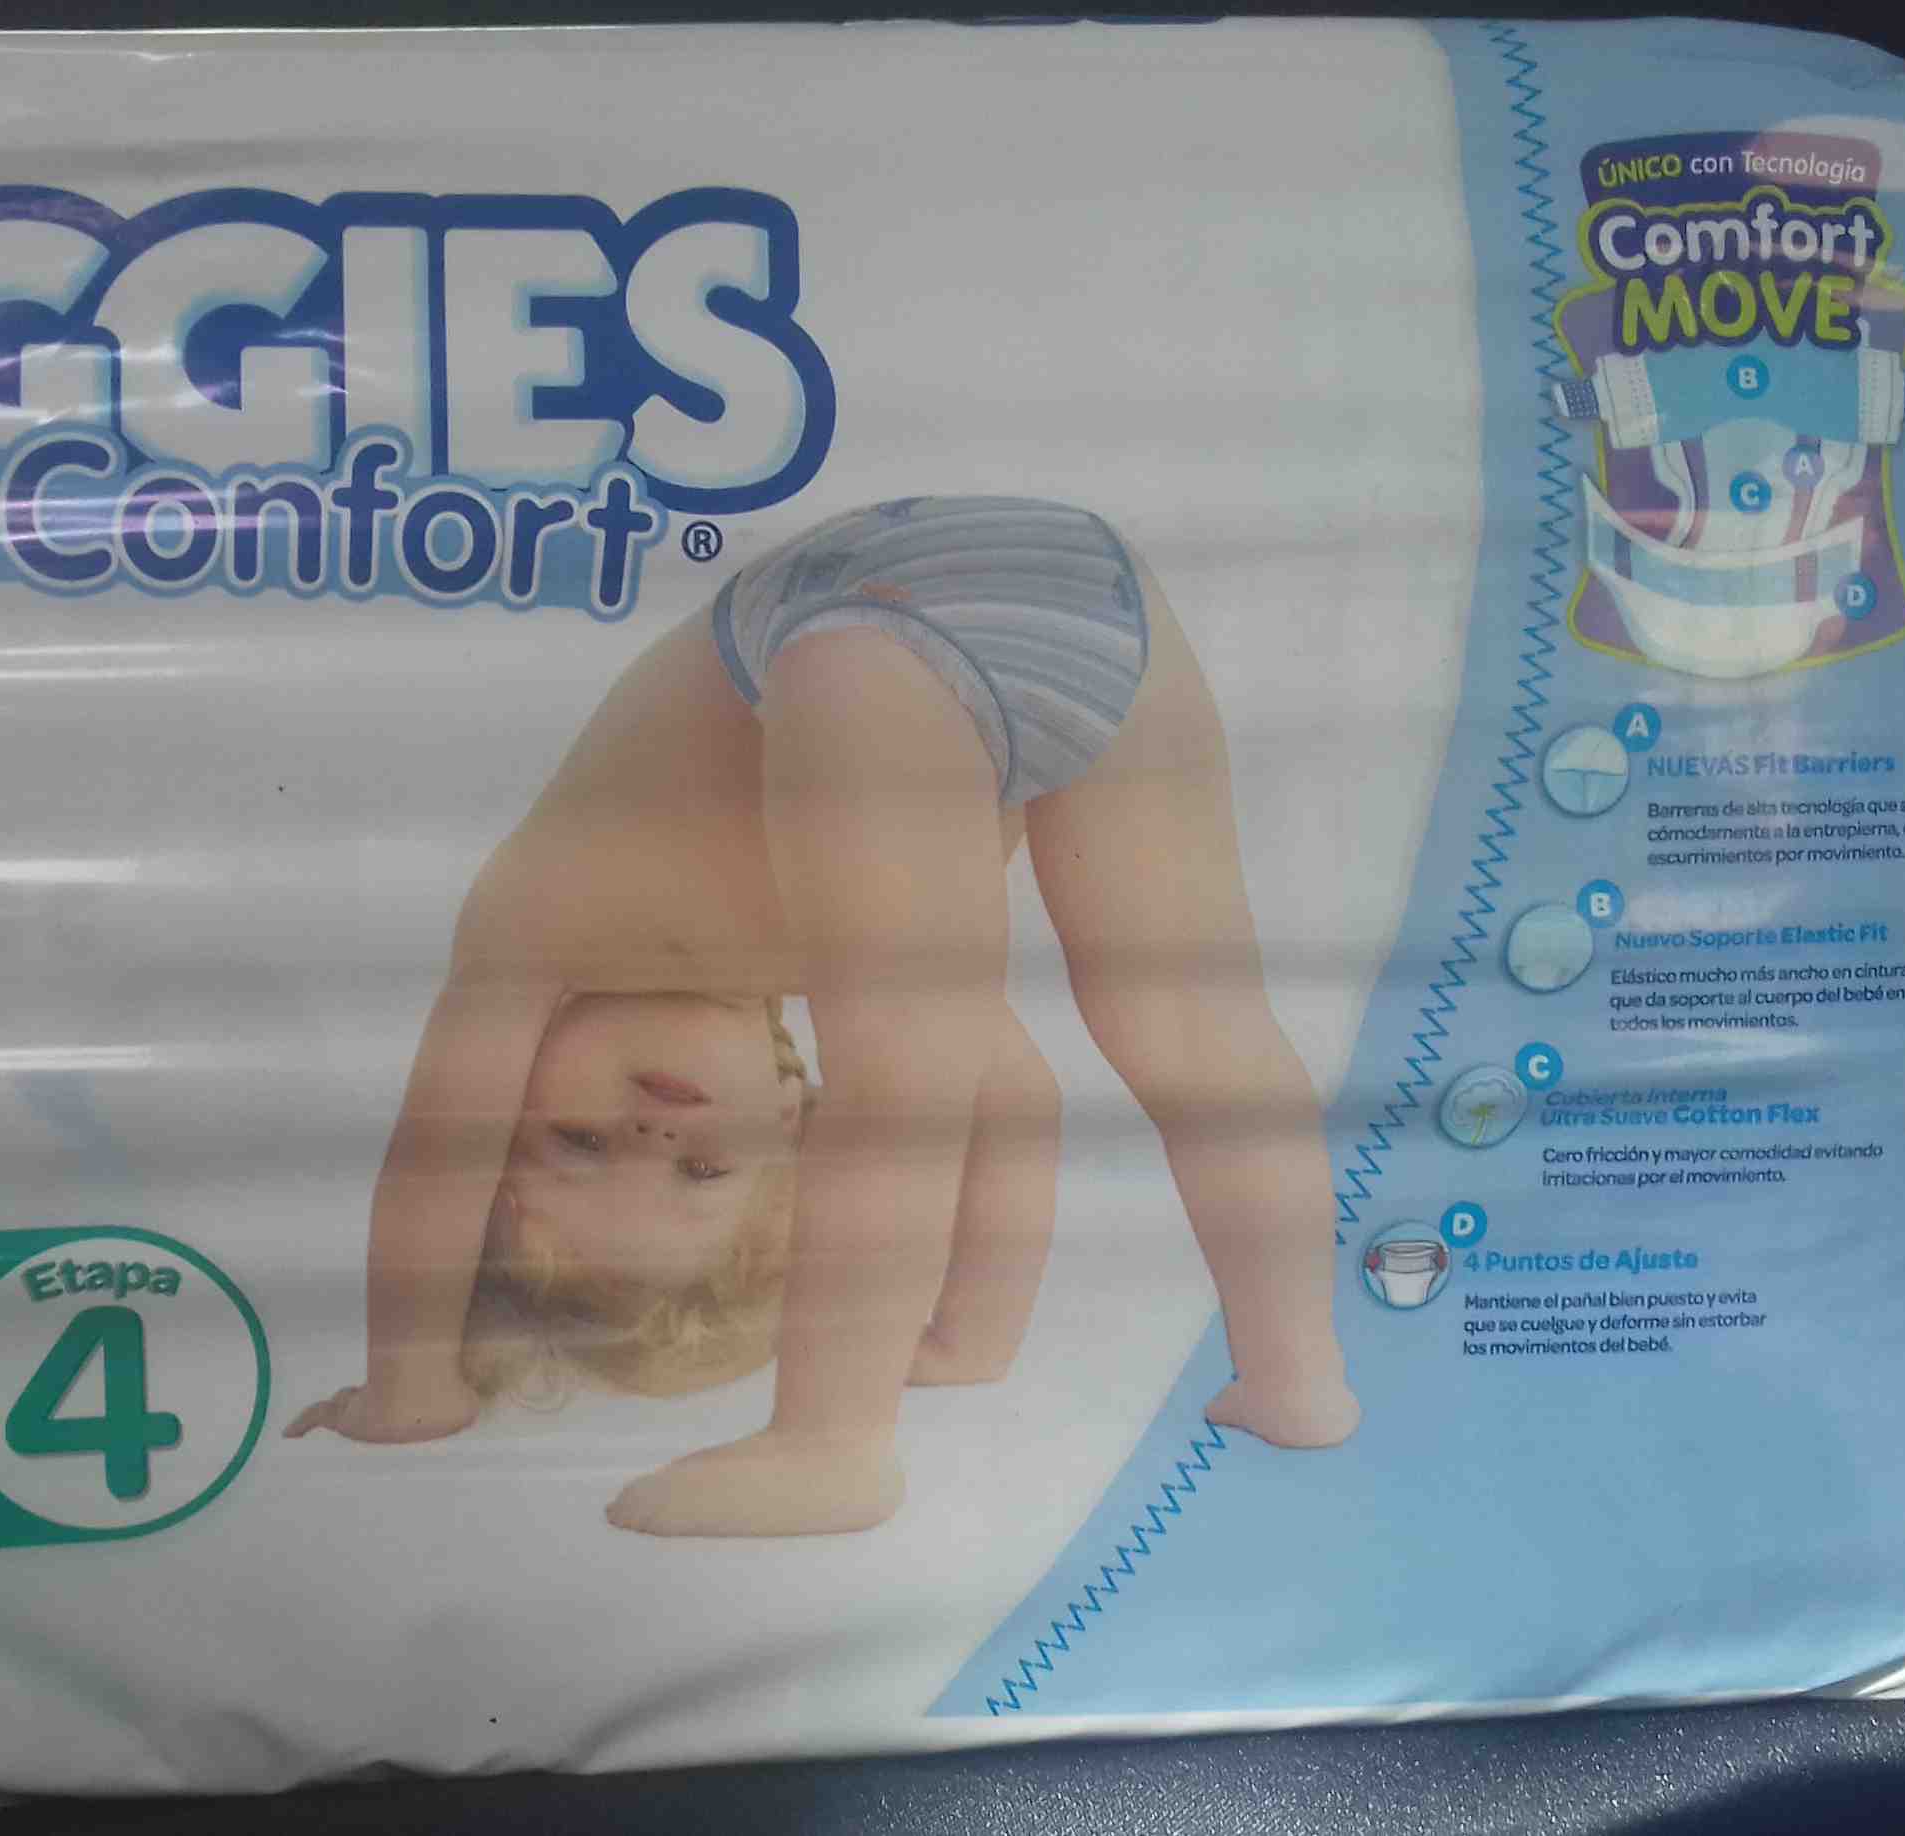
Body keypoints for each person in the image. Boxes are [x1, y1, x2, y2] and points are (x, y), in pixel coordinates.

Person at [286, 497, 1356, 1536]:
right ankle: (1294, 1375)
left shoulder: (531, 923)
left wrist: (411, 1384)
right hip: (1087, 594)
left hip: (859, 615)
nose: (653, 1132)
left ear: (511, 1100)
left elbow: (435, 1156)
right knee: (1194, 1027)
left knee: (910, 1075)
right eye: (703, 1169)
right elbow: (1021, 1111)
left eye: (582, 1143)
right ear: (790, 1118)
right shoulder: (841, 935)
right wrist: (972, 1335)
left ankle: (830, 1443)